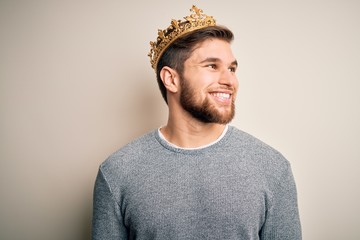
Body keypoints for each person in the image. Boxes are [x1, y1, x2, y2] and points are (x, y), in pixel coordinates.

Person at [92, 5, 302, 240]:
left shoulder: (272, 168)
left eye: (232, 68)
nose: (229, 80)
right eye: (212, 66)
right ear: (171, 79)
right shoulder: (117, 172)